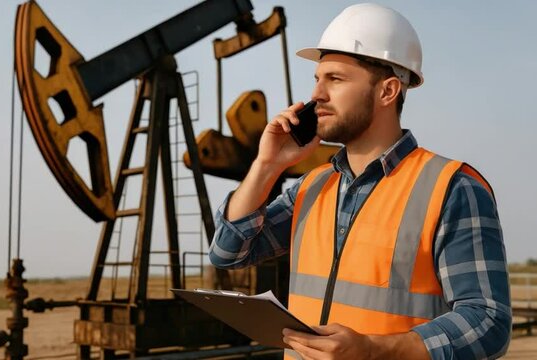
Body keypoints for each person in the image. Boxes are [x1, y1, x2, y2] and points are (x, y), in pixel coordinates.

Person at [208, 3, 511, 360]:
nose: (317, 95)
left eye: (335, 79)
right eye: (317, 79)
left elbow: (488, 321)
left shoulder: (451, 187)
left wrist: (372, 350)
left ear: (388, 91)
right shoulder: (313, 186)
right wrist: (266, 165)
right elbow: (228, 253)